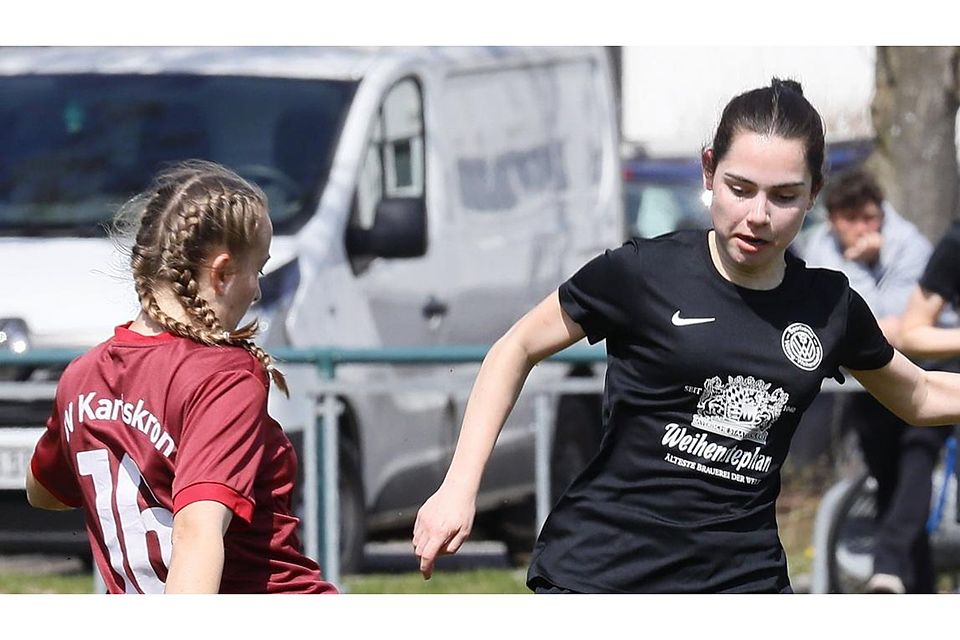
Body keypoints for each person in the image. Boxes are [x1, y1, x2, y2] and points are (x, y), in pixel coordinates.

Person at [412, 78, 960, 594]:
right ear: (708, 171)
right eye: (740, 189)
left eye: (785, 196)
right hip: (605, 573)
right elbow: (515, 348)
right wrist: (459, 487)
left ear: (815, 193)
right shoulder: (642, 273)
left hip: (742, 579)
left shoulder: (830, 304)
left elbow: (920, 395)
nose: (758, 216)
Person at [25, 161, 338, 594]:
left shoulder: (82, 376)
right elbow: (196, 531)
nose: (259, 291)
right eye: (258, 270)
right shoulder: (222, 376)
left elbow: (44, 492)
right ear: (223, 273)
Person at [799, 168, 950, 594]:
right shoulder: (819, 248)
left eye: (871, 218)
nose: (866, 229)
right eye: (853, 220)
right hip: (871, 378)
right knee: (889, 480)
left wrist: (859, 269)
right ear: (832, 219)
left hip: (931, 368)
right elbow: (844, 322)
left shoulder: (911, 245)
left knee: (918, 458)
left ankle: (887, 566)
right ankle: (913, 586)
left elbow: (901, 327)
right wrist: (858, 264)